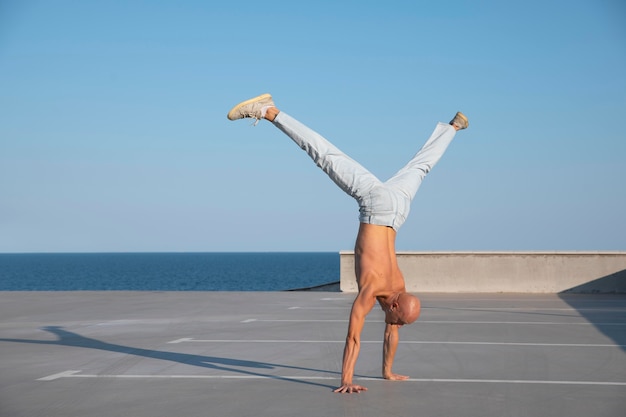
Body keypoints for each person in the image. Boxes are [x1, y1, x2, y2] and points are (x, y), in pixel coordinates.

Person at [226, 93, 468, 393]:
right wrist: (346, 381)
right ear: (394, 304)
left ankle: (453, 128)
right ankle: (268, 110)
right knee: (326, 155)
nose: (397, 326)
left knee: (421, 167)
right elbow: (353, 337)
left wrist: (388, 372)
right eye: (400, 320)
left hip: (399, 210)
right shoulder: (375, 290)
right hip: (377, 206)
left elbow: (392, 331)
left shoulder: (399, 292)